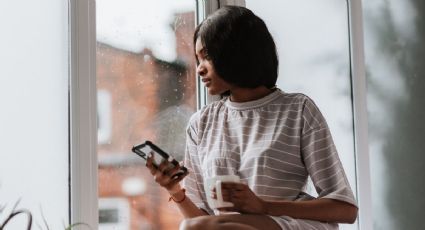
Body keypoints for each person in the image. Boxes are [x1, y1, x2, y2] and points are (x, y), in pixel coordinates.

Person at [146, 5, 358, 230]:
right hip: (229, 227)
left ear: (235, 52)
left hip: (289, 225)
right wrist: (175, 191)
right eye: (198, 60)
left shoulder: (298, 110)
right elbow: (202, 220)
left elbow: (345, 209)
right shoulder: (201, 123)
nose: (199, 69)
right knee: (193, 227)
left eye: (206, 57)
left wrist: (263, 206)